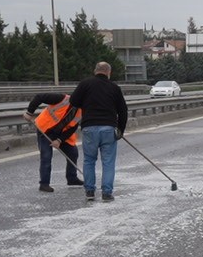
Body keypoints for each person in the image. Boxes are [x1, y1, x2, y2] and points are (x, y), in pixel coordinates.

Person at [68, 61, 128, 202]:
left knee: (89, 160)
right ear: (108, 72)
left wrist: (85, 102)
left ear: (95, 71)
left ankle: (90, 191)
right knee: (108, 162)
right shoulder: (114, 88)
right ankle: (107, 193)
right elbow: (123, 111)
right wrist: (121, 130)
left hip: (89, 128)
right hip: (108, 128)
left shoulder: (85, 84)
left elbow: (73, 101)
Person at [23, 92, 83, 193]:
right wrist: (29, 113)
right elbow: (39, 97)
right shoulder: (61, 99)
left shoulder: (81, 111)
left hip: (60, 134)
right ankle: (44, 184)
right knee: (46, 156)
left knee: (73, 153)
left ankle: (72, 178)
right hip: (45, 129)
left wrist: (59, 140)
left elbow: (72, 129)